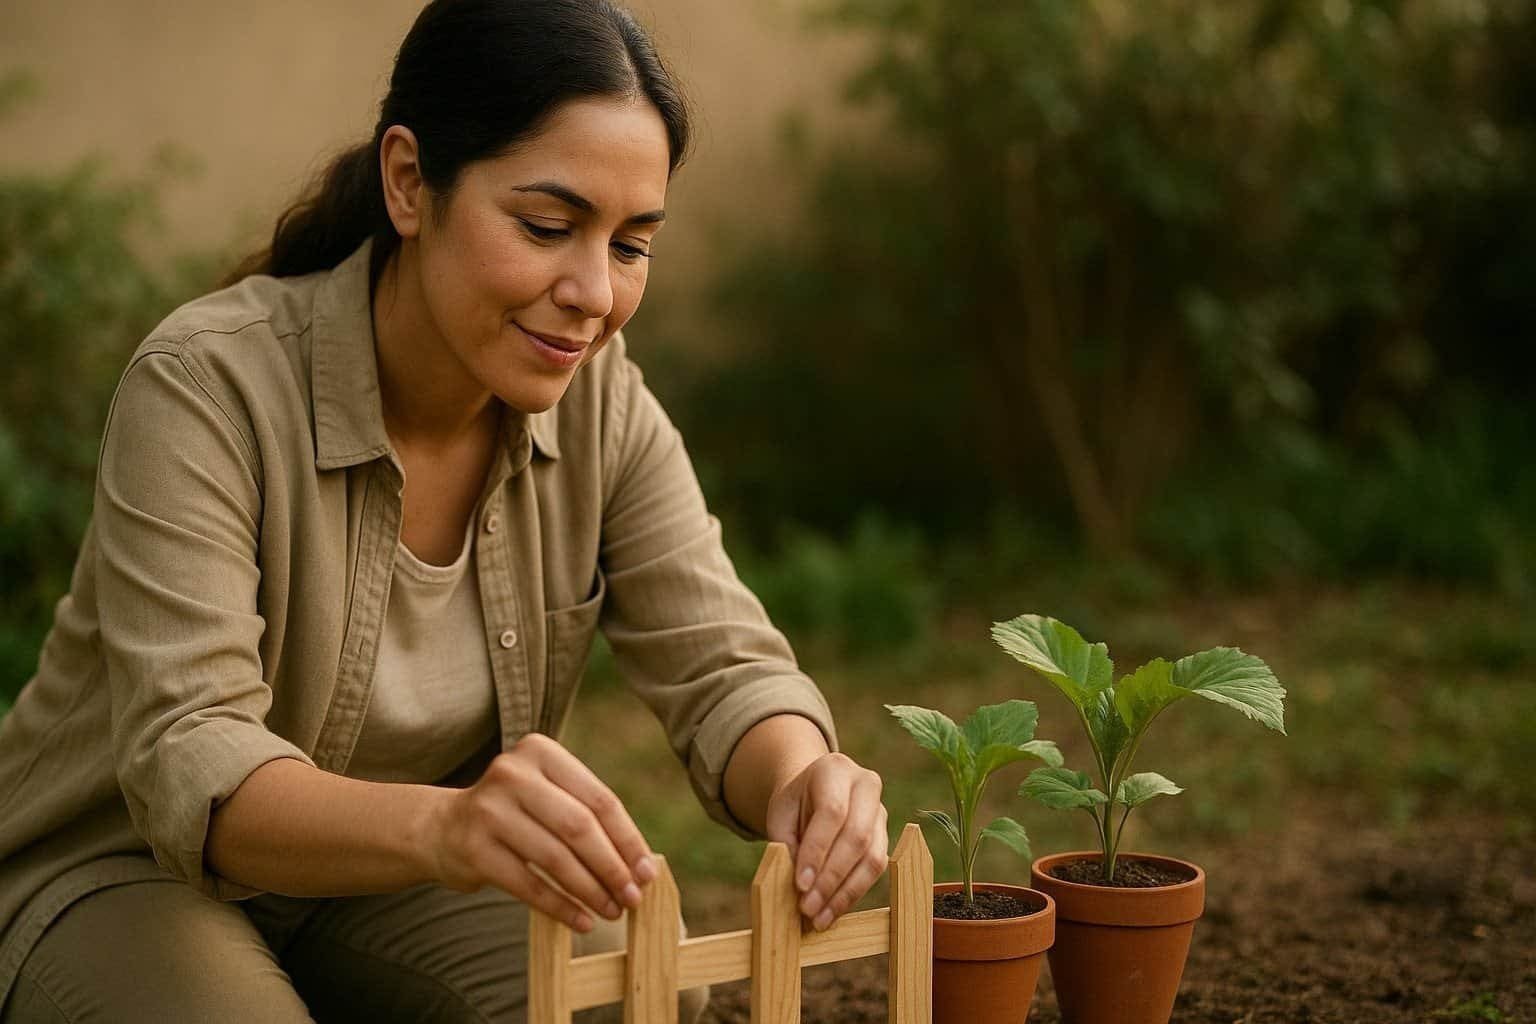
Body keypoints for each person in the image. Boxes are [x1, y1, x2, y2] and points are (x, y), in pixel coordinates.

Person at [0, 1, 889, 1020]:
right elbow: (192, 760)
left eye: (632, 244)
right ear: (410, 183)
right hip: (115, 867)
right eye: (548, 227)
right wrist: (449, 828)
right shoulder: (206, 388)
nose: (594, 292)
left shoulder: (598, 397)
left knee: (627, 984)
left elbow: (720, 657)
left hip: (375, 886)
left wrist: (799, 776)